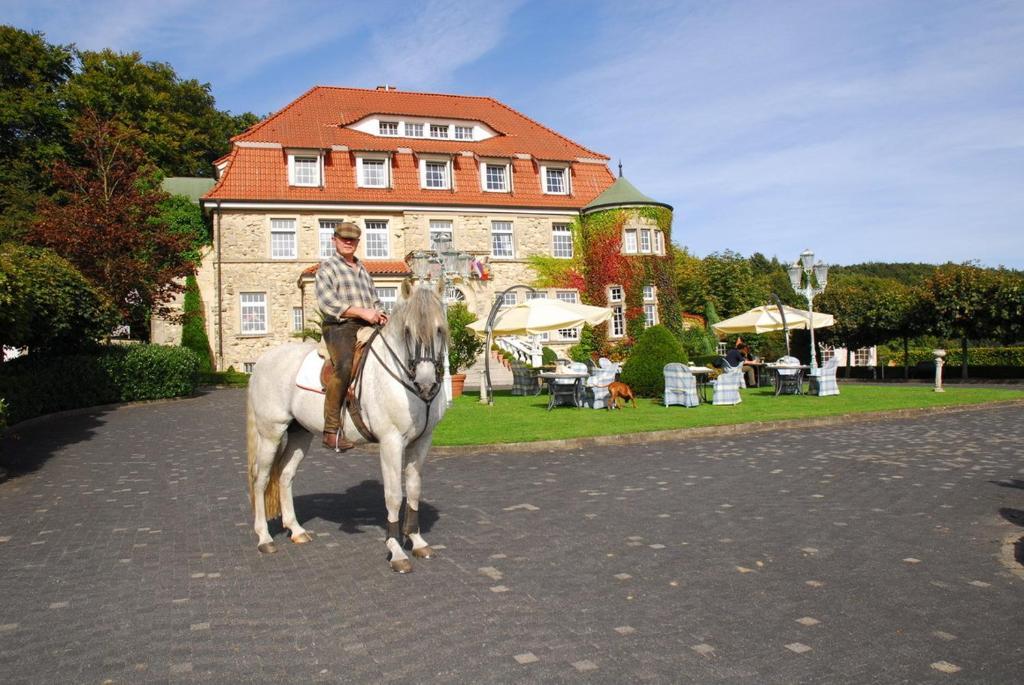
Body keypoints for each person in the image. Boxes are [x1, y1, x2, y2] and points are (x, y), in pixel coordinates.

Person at [315, 221, 389, 451]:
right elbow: (328, 303)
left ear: (357, 242)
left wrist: (380, 313)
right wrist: (361, 312)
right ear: (334, 240)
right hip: (340, 326)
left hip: (368, 324)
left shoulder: (363, 270)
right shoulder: (327, 268)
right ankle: (331, 431)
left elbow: (374, 299)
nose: (348, 242)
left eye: (352, 239)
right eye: (343, 238)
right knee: (345, 366)